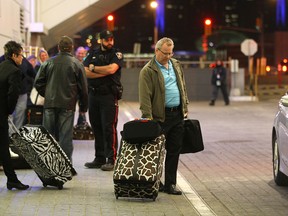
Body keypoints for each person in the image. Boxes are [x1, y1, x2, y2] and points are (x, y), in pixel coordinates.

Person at [138, 37, 189, 195]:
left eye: (170, 53)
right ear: (157, 50)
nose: (168, 56)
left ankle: (170, 184)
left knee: (174, 151)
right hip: (160, 117)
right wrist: (148, 118)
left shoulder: (176, 65)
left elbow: (182, 86)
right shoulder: (148, 70)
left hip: (177, 114)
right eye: (165, 53)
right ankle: (155, 182)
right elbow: (144, 97)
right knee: (156, 152)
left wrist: (185, 105)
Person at [34, 36, 88, 162]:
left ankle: (47, 166)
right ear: (71, 48)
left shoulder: (48, 62)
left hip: (50, 103)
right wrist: (83, 107)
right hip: (68, 105)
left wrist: (47, 94)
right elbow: (84, 89)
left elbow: (38, 82)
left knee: (47, 136)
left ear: (58, 48)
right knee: (65, 137)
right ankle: (66, 166)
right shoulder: (77, 64)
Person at [83, 30, 123, 171]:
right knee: (96, 127)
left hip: (109, 96)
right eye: (107, 40)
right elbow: (85, 72)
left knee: (109, 127)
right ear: (101, 40)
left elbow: (112, 70)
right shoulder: (92, 53)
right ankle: (99, 158)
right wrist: (102, 72)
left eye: (111, 39)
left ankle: (111, 159)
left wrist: (94, 68)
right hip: (94, 95)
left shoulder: (116, 54)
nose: (110, 42)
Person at [0, 40, 29, 190]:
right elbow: (13, 95)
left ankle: (12, 179)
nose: (22, 58)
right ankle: (12, 180)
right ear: (13, 55)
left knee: (3, 148)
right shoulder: (15, 71)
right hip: (1, 114)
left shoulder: (1, 66)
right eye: (20, 56)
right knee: (4, 148)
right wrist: (8, 111)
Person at [75, 46, 88, 125]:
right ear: (76, 53)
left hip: (84, 89)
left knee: (83, 109)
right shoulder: (73, 62)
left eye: (82, 53)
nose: (81, 55)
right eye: (79, 53)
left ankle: (81, 125)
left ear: (85, 54)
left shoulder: (88, 63)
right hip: (74, 89)